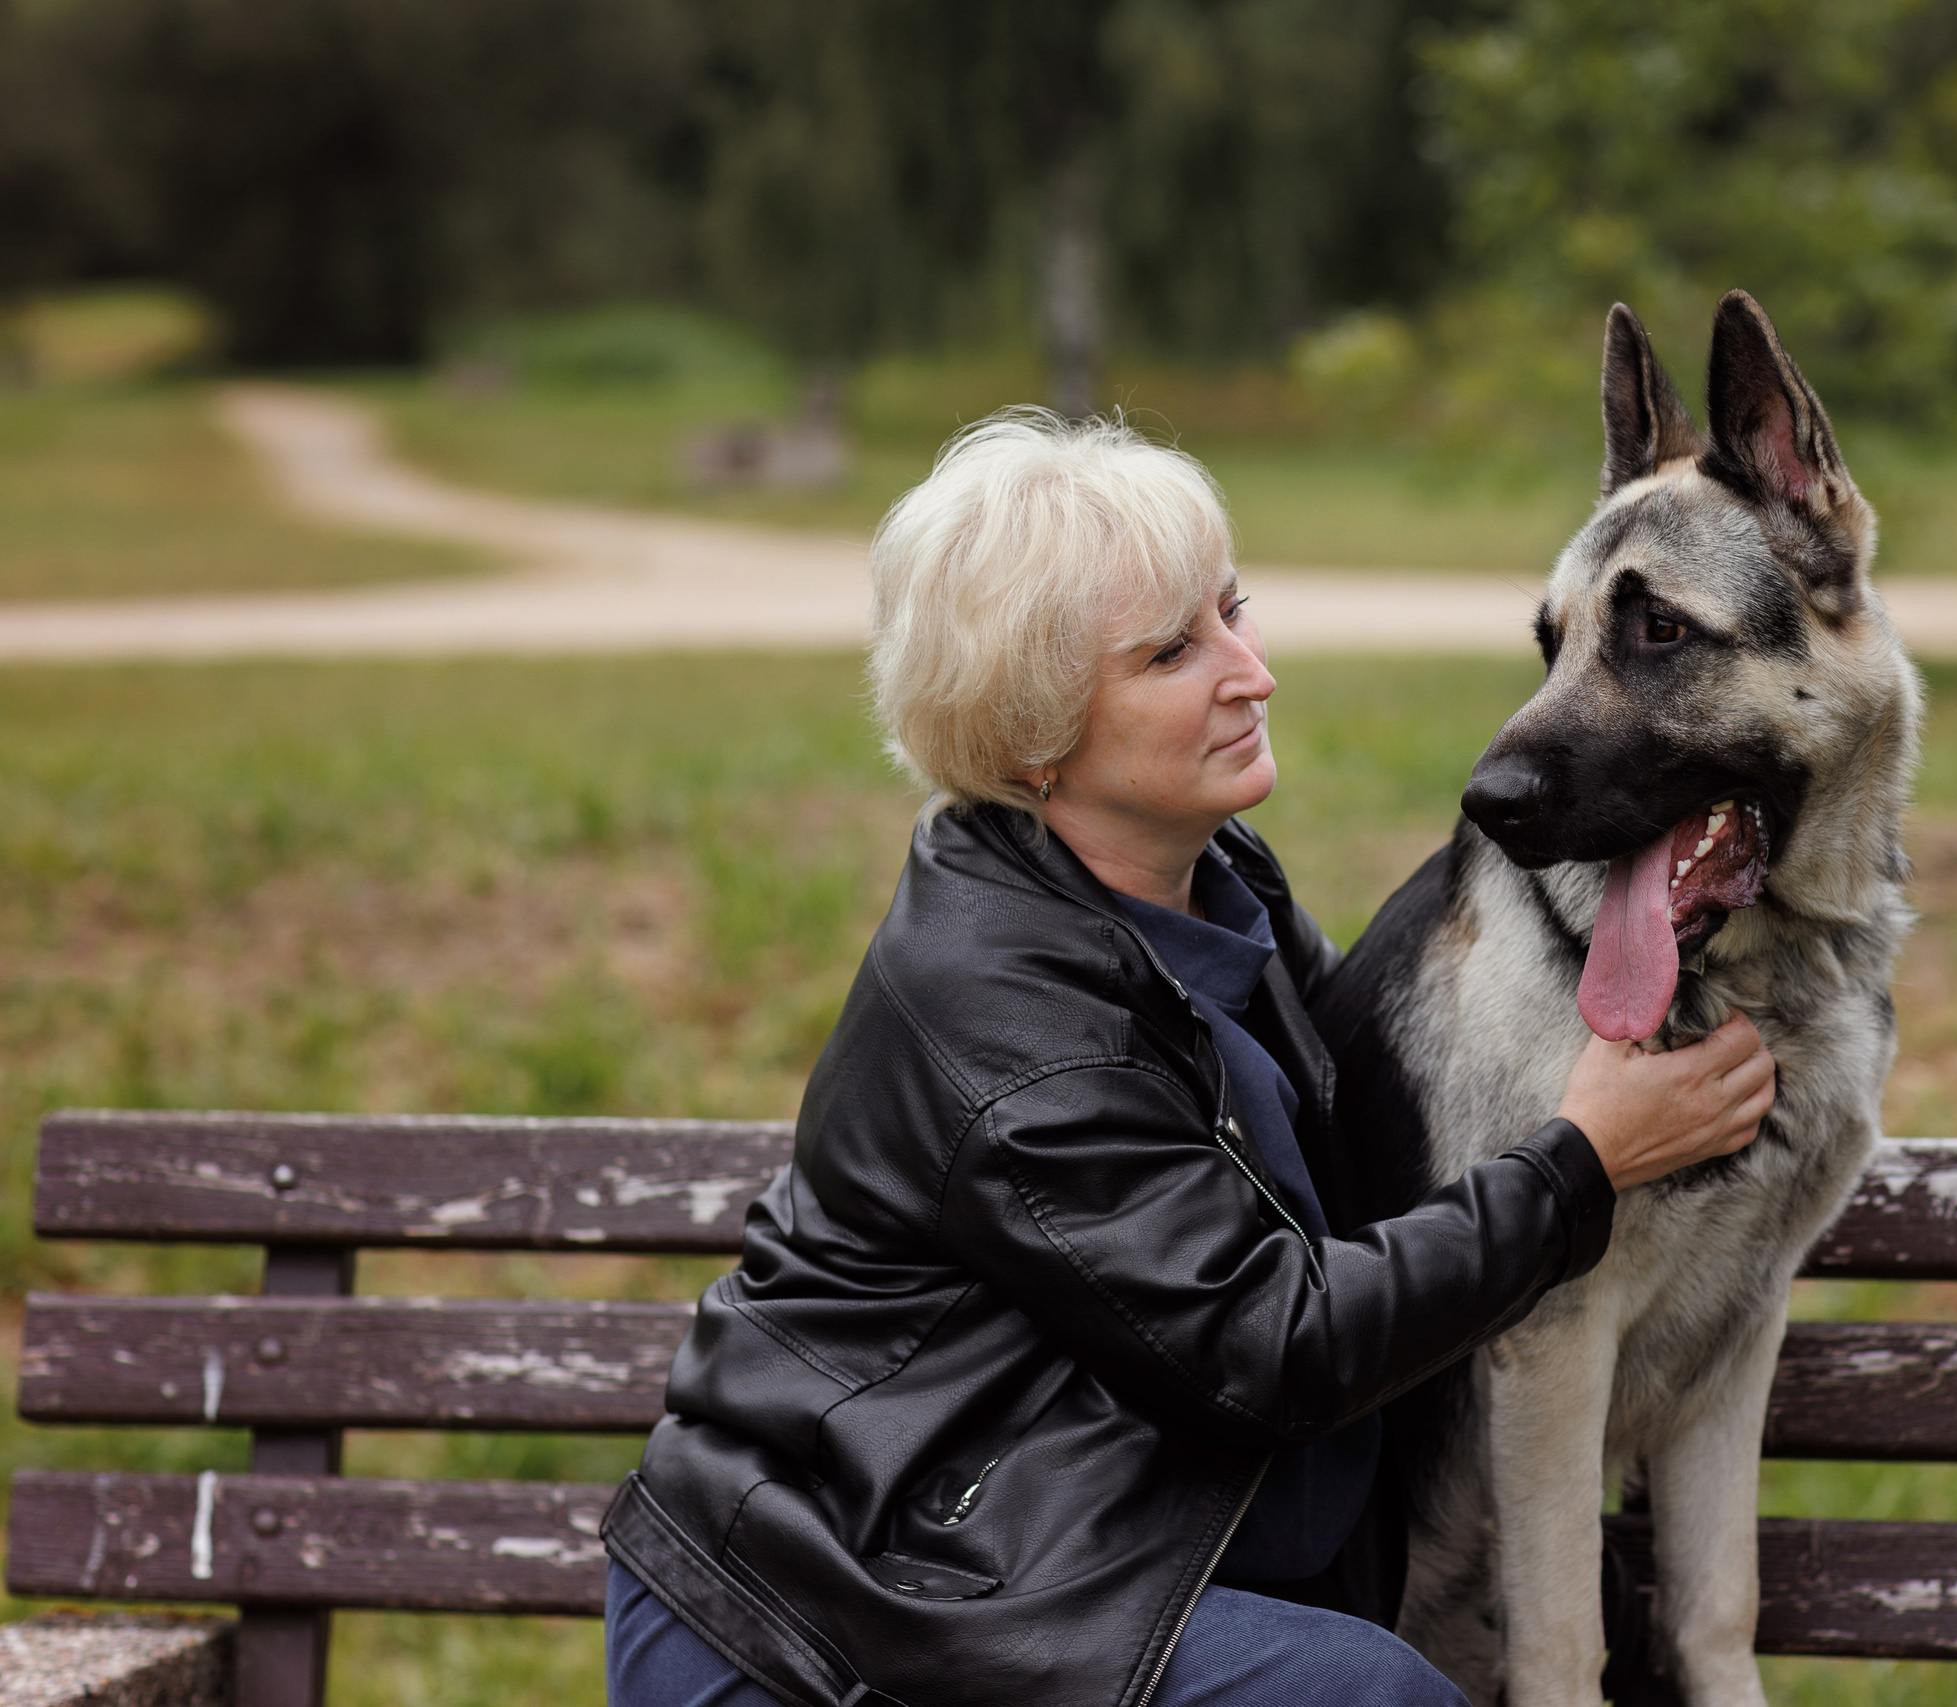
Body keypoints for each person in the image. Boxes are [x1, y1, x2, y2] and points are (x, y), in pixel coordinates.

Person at [598, 411, 1778, 1707]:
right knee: (1372, 1700)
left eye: (1233, 609)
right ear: (1034, 731)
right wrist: (1580, 1165)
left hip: (1037, 1546)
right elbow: (1269, 1344)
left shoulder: (1207, 884)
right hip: (833, 1608)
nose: (1251, 672)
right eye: (1173, 652)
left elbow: (1367, 1099)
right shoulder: (1013, 1028)